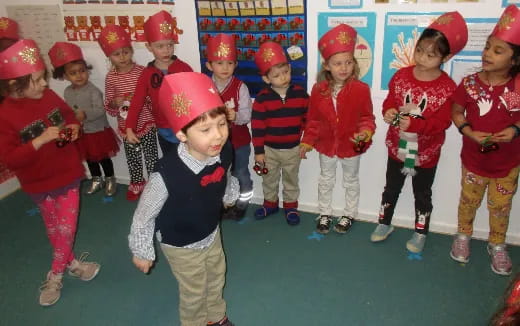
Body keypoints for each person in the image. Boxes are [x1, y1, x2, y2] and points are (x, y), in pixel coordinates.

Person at [129, 72, 237, 326]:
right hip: (180, 242)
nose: (218, 135)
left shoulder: (222, 151)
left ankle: (215, 316)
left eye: (222, 124)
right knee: (194, 291)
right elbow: (144, 215)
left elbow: (226, 176)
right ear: (182, 134)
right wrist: (142, 250)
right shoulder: (165, 174)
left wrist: (230, 195)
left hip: (210, 232)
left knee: (216, 276)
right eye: (206, 129)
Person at [0, 39, 100, 307]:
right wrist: (39, 140)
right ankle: (73, 263)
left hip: (67, 175)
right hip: (37, 183)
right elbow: (10, 159)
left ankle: (55, 274)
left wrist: (74, 126)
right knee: (55, 228)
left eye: (44, 77)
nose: (45, 83)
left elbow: (68, 115)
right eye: (37, 79)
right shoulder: (5, 115)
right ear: (14, 85)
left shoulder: (48, 96)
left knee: (66, 227)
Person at [369, 12, 468, 254]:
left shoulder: (447, 88)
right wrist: (389, 111)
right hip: (398, 149)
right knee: (391, 188)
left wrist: (416, 126)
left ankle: (420, 231)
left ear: (447, 56)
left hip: (426, 154)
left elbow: (442, 122)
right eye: (420, 50)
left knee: (422, 193)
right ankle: (384, 223)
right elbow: (390, 100)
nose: (422, 58)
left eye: (431, 55)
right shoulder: (402, 75)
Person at [449, 5, 520, 275]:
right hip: (474, 160)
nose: (488, 53)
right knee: (468, 201)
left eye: (498, 50)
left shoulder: (518, 85)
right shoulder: (469, 83)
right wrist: (467, 129)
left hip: (508, 163)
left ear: (514, 60)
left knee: (501, 206)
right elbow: (455, 110)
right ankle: (463, 235)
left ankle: (498, 244)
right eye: (488, 47)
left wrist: (515, 129)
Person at [300, 24, 376, 235]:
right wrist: (307, 141)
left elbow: (367, 117)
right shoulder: (318, 90)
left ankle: (349, 214)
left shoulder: (361, 90)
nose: (344, 68)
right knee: (326, 179)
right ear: (327, 65)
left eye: (348, 62)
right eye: (338, 63)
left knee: (351, 180)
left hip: (351, 145)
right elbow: (313, 120)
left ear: (354, 63)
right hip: (326, 145)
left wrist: (366, 132)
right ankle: (324, 213)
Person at [49, 41, 120, 196]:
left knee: (103, 158)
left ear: (87, 71)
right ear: (65, 76)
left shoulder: (93, 90)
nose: (79, 75)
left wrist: (85, 114)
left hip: (98, 132)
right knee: (89, 158)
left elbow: (100, 110)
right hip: (81, 133)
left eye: (82, 71)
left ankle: (110, 178)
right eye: (73, 73)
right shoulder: (67, 92)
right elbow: (68, 111)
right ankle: (96, 179)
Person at [98, 24, 159, 201]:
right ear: (109, 57)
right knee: (133, 159)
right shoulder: (111, 77)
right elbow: (108, 106)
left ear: (131, 51)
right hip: (126, 127)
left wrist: (143, 99)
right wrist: (115, 103)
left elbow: (152, 98)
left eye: (126, 52)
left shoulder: (142, 72)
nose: (122, 57)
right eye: (117, 54)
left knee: (151, 158)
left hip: (146, 123)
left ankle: (154, 186)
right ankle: (137, 183)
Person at [251, 41, 309, 225]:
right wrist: (259, 152)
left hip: (293, 149)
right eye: (276, 75)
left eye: (286, 72)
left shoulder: (301, 95)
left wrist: (306, 142)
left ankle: (291, 206)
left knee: (291, 179)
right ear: (267, 79)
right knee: (269, 178)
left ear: (290, 68)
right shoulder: (261, 99)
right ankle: (270, 203)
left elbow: (309, 120)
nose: (283, 77)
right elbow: (257, 126)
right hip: (269, 150)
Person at [125, 10, 193, 156]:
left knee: (191, 166)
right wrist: (129, 127)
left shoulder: (184, 68)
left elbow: (194, 97)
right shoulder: (146, 74)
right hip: (164, 130)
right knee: (171, 165)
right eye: (160, 46)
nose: (166, 50)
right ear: (149, 47)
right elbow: (137, 101)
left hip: (186, 128)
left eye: (170, 45)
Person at [205, 33, 253, 220]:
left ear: (236, 64)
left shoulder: (241, 87)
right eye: (219, 63)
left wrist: (236, 116)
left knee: (240, 172)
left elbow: (247, 115)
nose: (225, 68)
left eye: (230, 63)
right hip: (214, 142)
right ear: (209, 65)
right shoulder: (206, 86)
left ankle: (242, 202)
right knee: (218, 173)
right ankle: (223, 202)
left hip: (238, 142)